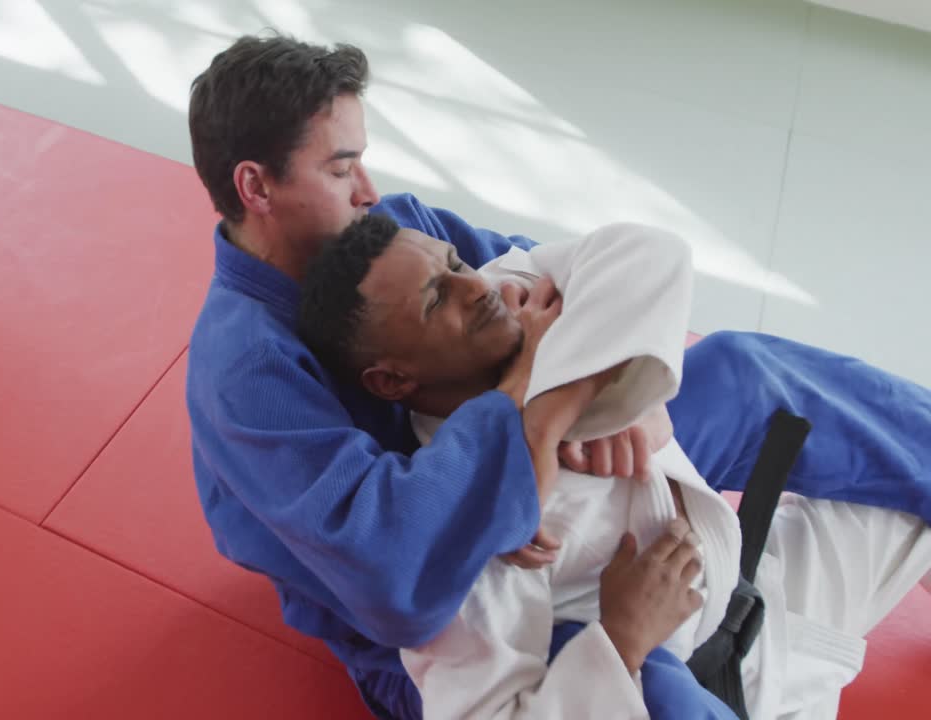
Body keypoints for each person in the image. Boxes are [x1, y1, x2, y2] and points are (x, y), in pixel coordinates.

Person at [185, 33, 931, 718]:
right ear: (257, 187)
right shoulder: (246, 374)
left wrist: (600, 388)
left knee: (739, 369)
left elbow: (552, 283)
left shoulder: (396, 229)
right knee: (628, 672)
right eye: (341, 167)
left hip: (538, 473)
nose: (369, 189)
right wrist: (530, 417)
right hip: (453, 605)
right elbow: (396, 576)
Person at [296, 213, 931, 719]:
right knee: (648, 677)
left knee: (748, 370)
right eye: (439, 301)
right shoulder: (458, 528)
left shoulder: (509, 299)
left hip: (760, 586)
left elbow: (648, 251)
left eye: (455, 264)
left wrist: (558, 400)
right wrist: (622, 640)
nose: (478, 288)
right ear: (392, 380)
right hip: (702, 687)